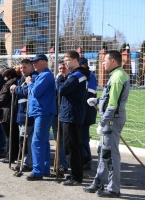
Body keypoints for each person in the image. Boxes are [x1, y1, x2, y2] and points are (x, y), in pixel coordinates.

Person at [83, 50, 130, 198]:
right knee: (103, 152)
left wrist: (103, 123)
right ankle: (99, 181)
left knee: (110, 155)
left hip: (112, 120)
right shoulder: (116, 75)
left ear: (113, 62)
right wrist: (96, 101)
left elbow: (113, 105)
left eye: (105, 60)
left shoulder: (117, 78)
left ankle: (114, 188)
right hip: (111, 120)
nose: (102, 63)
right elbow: (108, 98)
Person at [56, 50, 90, 185]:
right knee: (72, 146)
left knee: (71, 147)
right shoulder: (78, 75)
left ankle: (76, 177)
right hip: (72, 113)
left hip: (71, 114)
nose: (65, 63)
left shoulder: (76, 76)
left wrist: (59, 78)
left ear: (75, 60)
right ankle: (75, 173)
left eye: (67, 60)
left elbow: (62, 90)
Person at [25, 54, 56, 181]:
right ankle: (44, 168)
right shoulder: (43, 75)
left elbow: (36, 92)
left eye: (36, 62)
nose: (34, 65)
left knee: (37, 141)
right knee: (43, 141)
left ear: (43, 62)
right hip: (41, 111)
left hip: (43, 112)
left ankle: (38, 171)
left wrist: (29, 84)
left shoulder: (46, 75)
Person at [10, 59, 38, 171]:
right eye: (21, 68)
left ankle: (28, 163)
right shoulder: (21, 79)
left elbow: (27, 91)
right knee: (23, 140)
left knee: (27, 140)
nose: (22, 70)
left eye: (25, 67)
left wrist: (15, 89)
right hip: (21, 113)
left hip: (28, 114)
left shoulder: (33, 77)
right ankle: (22, 160)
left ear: (31, 67)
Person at [0, 68, 19, 164]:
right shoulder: (16, 81)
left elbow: (3, 98)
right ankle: (13, 155)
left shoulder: (9, 83)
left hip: (7, 112)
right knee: (13, 136)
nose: (4, 79)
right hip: (11, 111)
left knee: (9, 136)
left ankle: (10, 156)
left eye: (5, 76)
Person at [79, 57, 97, 170]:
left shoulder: (89, 76)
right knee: (82, 136)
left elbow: (89, 94)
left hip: (86, 111)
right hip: (85, 111)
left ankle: (86, 159)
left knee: (83, 136)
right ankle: (85, 158)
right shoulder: (88, 75)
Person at [51, 60, 69, 173]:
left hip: (65, 114)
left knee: (65, 140)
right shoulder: (56, 80)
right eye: (60, 69)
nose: (62, 70)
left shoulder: (68, 80)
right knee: (58, 139)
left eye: (64, 68)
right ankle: (61, 162)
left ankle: (65, 162)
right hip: (55, 112)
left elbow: (61, 91)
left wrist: (59, 80)